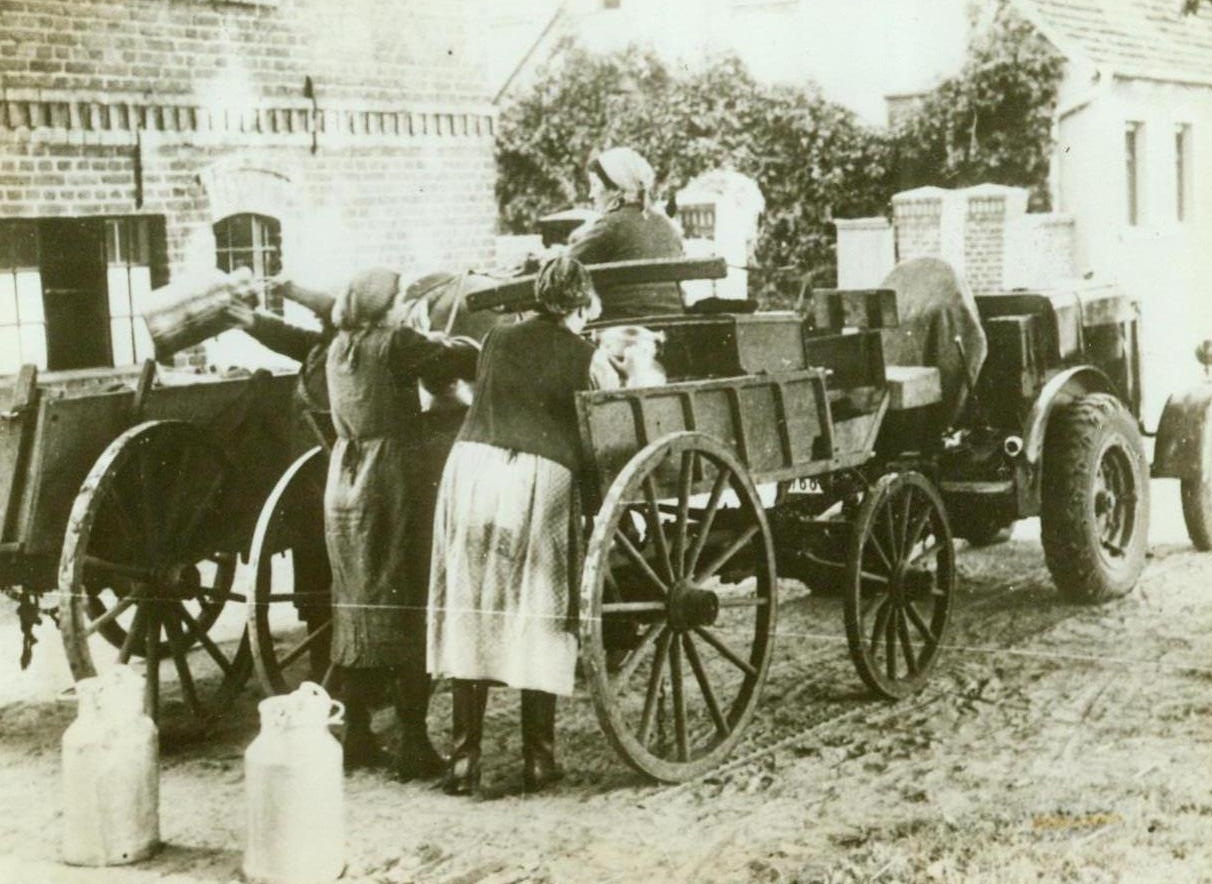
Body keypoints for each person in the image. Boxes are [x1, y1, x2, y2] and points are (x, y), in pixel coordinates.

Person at [427, 256, 618, 796]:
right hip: (538, 477)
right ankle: (539, 759)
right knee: (539, 607)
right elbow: (603, 429)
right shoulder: (588, 356)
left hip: (472, 469)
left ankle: (464, 760)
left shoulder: (496, 340)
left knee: (473, 605)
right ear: (580, 305)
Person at [324, 267, 479, 780]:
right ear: (387, 307)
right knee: (410, 601)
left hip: (346, 479)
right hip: (391, 481)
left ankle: (358, 736)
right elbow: (459, 360)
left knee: (357, 605)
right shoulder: (394, 342)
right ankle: (413, 744)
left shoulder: (340, 345)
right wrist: (449, 337)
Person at [566, 146, 686, 320]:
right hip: (674, 327)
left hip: (620, 331)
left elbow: (561, 271)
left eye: (595, 185)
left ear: (616, 190)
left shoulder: (611, 224)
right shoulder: (666, 224)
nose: (591, 194)